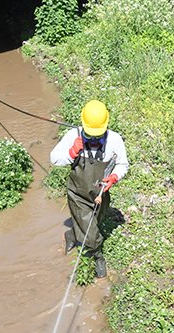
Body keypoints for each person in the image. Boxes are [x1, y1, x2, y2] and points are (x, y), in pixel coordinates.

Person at [50, 100, 129, 278]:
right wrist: (71, 153)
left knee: (95, 223)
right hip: (78, 194)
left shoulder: (114, 140)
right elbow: (54, 159)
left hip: (100, 194)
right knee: (91, 234)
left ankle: (71, 234)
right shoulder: (73, 136)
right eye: (90, 135)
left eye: (97, 135)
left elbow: (123, 164)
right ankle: (98, 256)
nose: (93, 139)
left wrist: (114, 177)